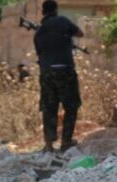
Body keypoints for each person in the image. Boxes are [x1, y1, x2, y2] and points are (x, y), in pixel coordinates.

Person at [33, 0, 83, 153]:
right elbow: (80, 33)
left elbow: (40, 54)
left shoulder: (39, 32)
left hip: (47, 73)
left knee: (49, 108)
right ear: (55, 10)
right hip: (65, 70)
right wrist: (66, 39)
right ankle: (66, 141)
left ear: (43, 12)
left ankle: (49, 144)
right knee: (71, 106)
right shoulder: (63, 21)